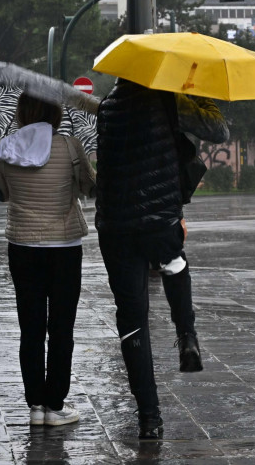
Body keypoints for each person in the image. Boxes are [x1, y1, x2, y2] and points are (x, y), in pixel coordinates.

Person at [94, 78, 228, 439]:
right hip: (161, 221)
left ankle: (149, 417)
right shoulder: (169, 100)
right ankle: (186, 333)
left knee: (132, 319)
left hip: (116, 228)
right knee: (174, 263)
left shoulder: (107, 107)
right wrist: (196, 91)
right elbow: (218, 130)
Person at [0, 93, 96, 427]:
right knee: (61, 328)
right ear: (55, 113)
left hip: (22, 246)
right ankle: (55, 405)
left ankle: (35, 405)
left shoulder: (5, 148)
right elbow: (89, 187)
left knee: (31, 327)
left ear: (21, 113)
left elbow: (1, 193)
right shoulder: (69, 146)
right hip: (65, 247)